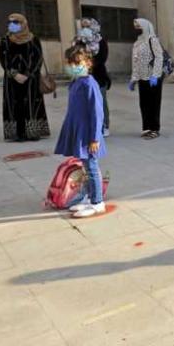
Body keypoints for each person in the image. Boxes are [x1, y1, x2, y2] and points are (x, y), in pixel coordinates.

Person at [55, 45, 107, 218]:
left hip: (88, 135)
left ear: (88, 63)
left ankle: (97, 202)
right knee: (85, 168)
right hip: (79, 131)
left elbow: (97, 113)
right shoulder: (76, 82)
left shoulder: (89, 84)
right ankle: (88, 197)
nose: (74, 66)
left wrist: (95, 138)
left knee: (91, 167)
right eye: (70, 63)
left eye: (78, 63)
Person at [0, 13, 50, 142]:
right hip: (12, 79)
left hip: (30, 79)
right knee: (15, 104)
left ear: (23, 23)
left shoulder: (33, 39)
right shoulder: (5, 40)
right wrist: (15, 74)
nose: (12, 25)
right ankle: (18, 133)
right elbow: (3, 59)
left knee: (31, 104)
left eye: (15, 22)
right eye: (10, 22)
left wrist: (27, 75)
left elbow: (38, 59)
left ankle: (32, 132)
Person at [75, 18, 111, 137]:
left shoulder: (101, 41)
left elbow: (102, 58)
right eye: (83, 26)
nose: (86, 29)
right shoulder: (80, 41)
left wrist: (88, 64)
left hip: (99, 77)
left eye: (88, 26)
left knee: (100, 102)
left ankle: (104, 125)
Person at [128, 18, 164, 140]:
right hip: (142, 78)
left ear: (145, 27)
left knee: (154, 104)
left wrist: (156, 75)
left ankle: (155, 129)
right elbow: (135, 62)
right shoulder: (137, 43)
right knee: (144, 104)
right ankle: (147, 127)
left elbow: (159, 57)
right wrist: (133, 79)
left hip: (153, 78)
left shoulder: (152, 40)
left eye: (138, 26)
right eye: (135, 27)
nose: (136, 29)